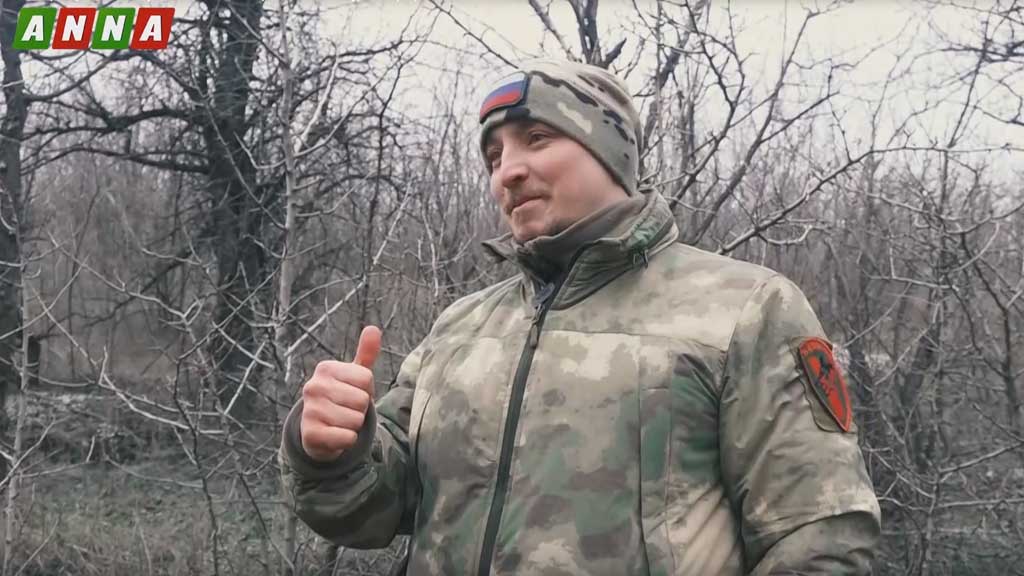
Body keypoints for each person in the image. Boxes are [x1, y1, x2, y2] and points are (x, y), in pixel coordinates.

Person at [279, 59, 881, 575]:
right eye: (494, 156)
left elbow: (818, 535)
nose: (507, 171)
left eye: (537, 138)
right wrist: (333, 449)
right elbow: (372, 511)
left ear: (609, 152)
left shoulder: (745, 307)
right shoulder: (460, 328)